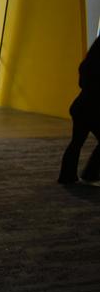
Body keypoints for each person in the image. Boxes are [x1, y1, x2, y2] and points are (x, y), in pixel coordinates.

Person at [58, 35, 100, 186]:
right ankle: (90, 173)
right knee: (77, 143)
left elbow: (82, 84)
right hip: (93, 110)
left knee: (76, 143)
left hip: (80, 108)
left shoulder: (87, 64)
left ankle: (67, 175)